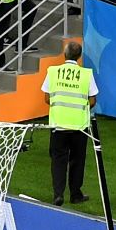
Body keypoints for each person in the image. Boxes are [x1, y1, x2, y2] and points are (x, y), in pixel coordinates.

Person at [43, 41, 98, 204]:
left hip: (58, 124)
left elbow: (47, 98)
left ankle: (58, 194)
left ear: (65, 54)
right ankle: (75, 194)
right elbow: (92, 100)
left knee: (58, 160)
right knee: (77, 160)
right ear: (79, 57)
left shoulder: (53, 72)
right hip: (79, 126)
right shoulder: (86, 74)